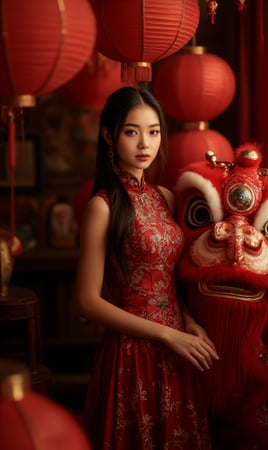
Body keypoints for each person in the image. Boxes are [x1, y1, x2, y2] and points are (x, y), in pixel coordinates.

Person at [74, 86, 219, 450]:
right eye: (131, 131)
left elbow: (170, 282)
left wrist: (187, 323)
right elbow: (88, 302)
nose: (145, 143)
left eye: (153, 131)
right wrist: (166, 334)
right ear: (108, 135)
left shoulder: (165, 197)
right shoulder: (102, 207)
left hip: (177, 348)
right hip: (131, 352)